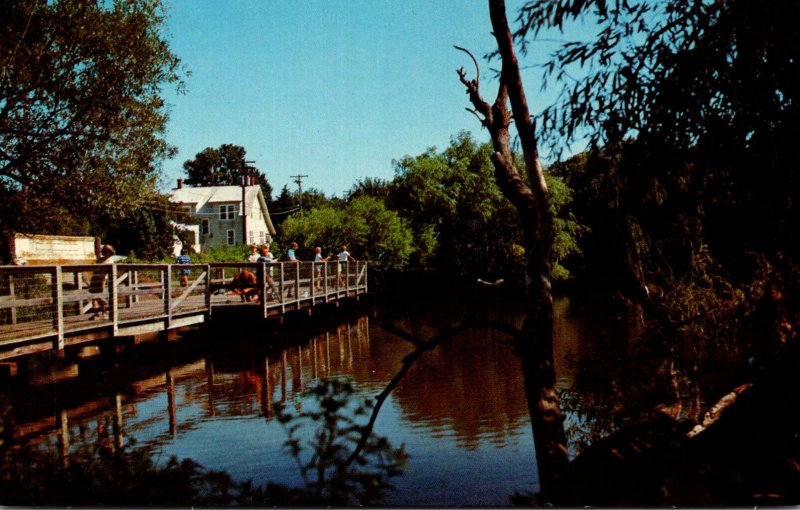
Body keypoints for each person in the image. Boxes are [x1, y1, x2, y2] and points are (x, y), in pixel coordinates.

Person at [89, 244, 115, 320]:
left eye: (105, 251)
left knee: (101, 296)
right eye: (103, 251)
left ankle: (105, 312)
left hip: (103, 279)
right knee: (93, 297)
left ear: (109, 253)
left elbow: (107, 273)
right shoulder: (99, 259)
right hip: (95, 278)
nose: (103, 252)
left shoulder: (110, 261)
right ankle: (96, 314)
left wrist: (103, 282)